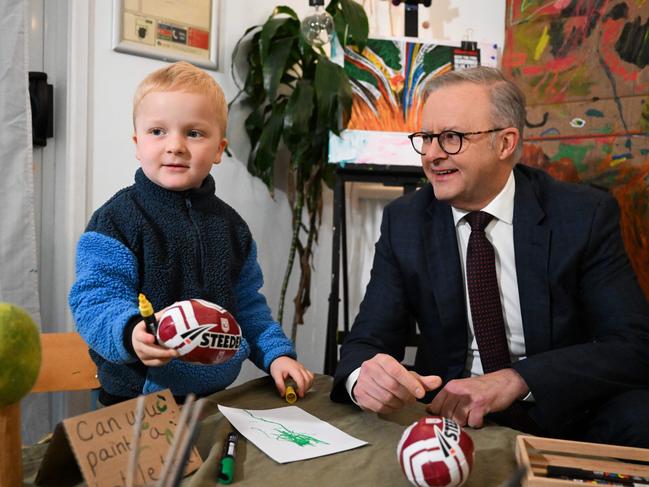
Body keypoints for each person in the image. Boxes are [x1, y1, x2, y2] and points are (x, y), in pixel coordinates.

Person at [330, 66, 649, 447]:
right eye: (426, 137)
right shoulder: (406, 221)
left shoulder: (583, 216)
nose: (431, 155)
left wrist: (518, 379)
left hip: (562, 408)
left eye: (451, 138)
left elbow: (634, 346)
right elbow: (365, 342)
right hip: (449, 416)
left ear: (505, 143)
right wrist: (364, 377)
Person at [69, 61, 314, 406]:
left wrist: (277, 355)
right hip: (135, 400)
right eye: (158, 132)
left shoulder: (233, 229)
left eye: (194, 133)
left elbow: (247, 309)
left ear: (218, 149)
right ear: (137, 144)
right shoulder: (115, 220)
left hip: (214, 397)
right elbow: (95, 300)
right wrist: (130, 334)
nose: (175, 146)